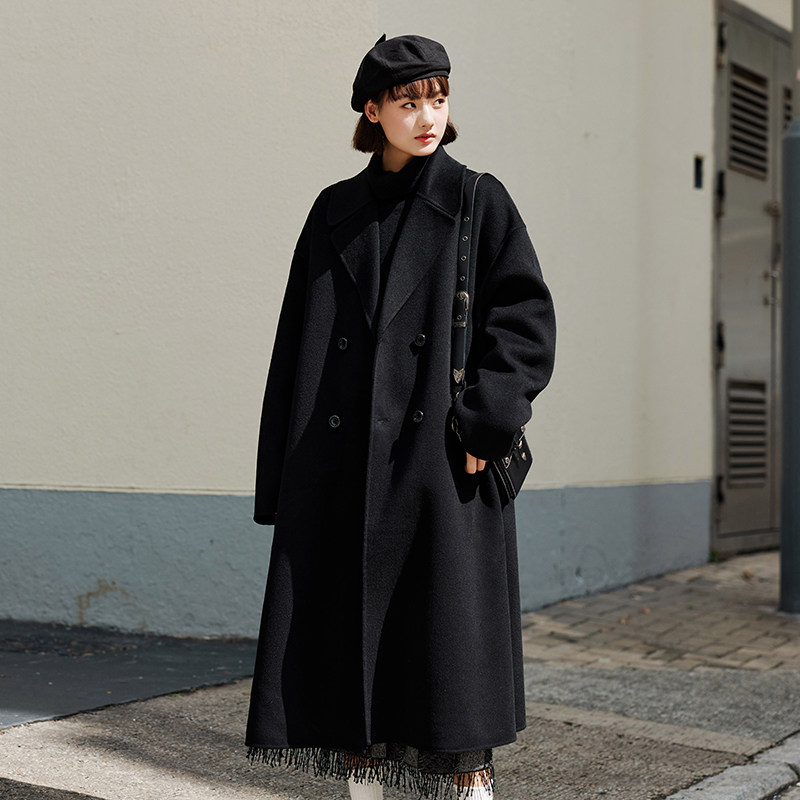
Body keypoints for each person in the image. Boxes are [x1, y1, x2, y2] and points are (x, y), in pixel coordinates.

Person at [246, 34, 556, 800]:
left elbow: (524, 321)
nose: (427, 117)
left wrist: (487, 420)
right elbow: (294, 345)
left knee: (449, 687)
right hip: (343, 477)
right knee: (353, 689)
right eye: (409, 101)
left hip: (440, 473)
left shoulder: (477, 200)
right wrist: (284, 480)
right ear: (372, 110)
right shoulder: (334, 211)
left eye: (438, 99)